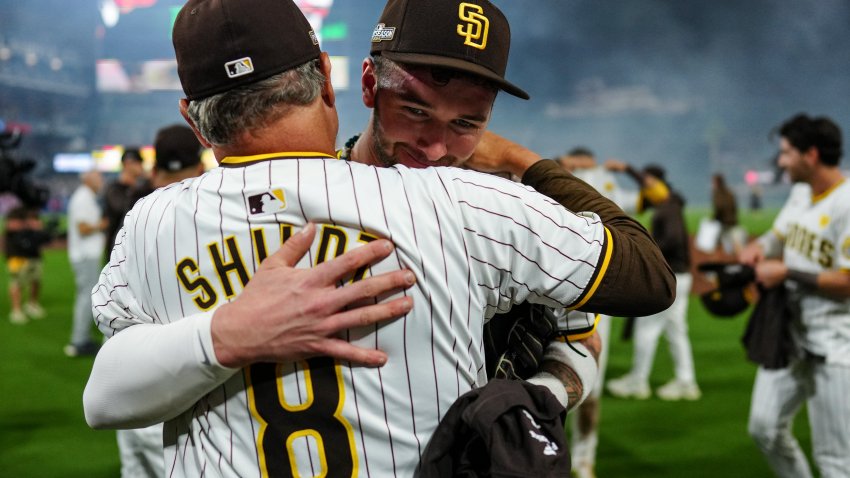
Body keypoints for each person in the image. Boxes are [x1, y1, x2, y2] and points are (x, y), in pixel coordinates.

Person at [83, 1, 674, 476]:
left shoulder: (152, 222)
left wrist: (540, 394)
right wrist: (528, 163)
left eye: (467, 123)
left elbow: (106, 397)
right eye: (415, 110)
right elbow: (647, 275)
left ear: (194, 118)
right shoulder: (468, 206)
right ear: (345, 84)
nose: (436, 145)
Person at [739, 113, 850, 478]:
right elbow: (779, 235)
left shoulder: (846, 204)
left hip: (835, 345)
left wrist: (787, 271)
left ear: (812, 155)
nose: (781, 160)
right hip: (791, 334)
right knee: (764, 429)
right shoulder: (802, 193)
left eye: (787, 153)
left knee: (835, 461)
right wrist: (760, 245)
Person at [116, 124, 205, 478]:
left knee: (134, 465)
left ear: (154, 170)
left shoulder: (133, 207)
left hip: (128, 366)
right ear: (200, 167)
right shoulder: (211, 217)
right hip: (181, 379)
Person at [552, 147, 637, 478]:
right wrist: (561, 163)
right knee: (544, 385)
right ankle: (547, 455)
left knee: (591, 389)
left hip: (599, 296)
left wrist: (624, 167)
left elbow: (647, 200)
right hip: (550, 292)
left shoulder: (604, 185)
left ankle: (586, 460)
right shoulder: (549, 182)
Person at [604, 160, 702, 401]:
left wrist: (645, 249)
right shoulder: (670, 204)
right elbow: (649, 185)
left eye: (649, 184)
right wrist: (629, 170)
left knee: (646, 328)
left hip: (670, 277)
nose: (645, 191)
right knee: (676, 331)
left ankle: (638, 381)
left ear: (658, 185)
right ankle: (686, 382)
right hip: (681, 276)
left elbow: (671, 240)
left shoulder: (666, 209)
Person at [65, 169, 107, 356]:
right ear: (89, 180)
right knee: (86, 295)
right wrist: (103, 224)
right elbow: (82, 228)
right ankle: (79, 341)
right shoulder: (83, 197)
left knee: (87, 294)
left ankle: (81, 338)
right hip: (85, 254)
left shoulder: (85, 196)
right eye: (98, 177)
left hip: (86, 253)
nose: (101, 181)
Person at [5, 205, 50, 324]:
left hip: (34, 256)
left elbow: (45, 237)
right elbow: (11, 228)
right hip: (17, 257)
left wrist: (37, 228)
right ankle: (16, 310)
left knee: (36, 280)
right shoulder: (15, 213)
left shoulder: (31, 215)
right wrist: (26, 225)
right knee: (17, 283)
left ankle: (32, 304)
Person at [102, 146, 145, 261]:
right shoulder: (114, 189)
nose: (142, 167)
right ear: (128, 163)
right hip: (117, 249)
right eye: (139, 163)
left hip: (136, 248)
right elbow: (122, 209)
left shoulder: (141, 188)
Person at [711, 173, 746, 256]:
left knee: (717, 245)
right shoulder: (730, 193)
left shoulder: (717, 193)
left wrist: (713, 219)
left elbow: (719, 208)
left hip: (723, 223)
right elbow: (735, 207)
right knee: (734, 244)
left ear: (717, 182)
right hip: (733, 222)